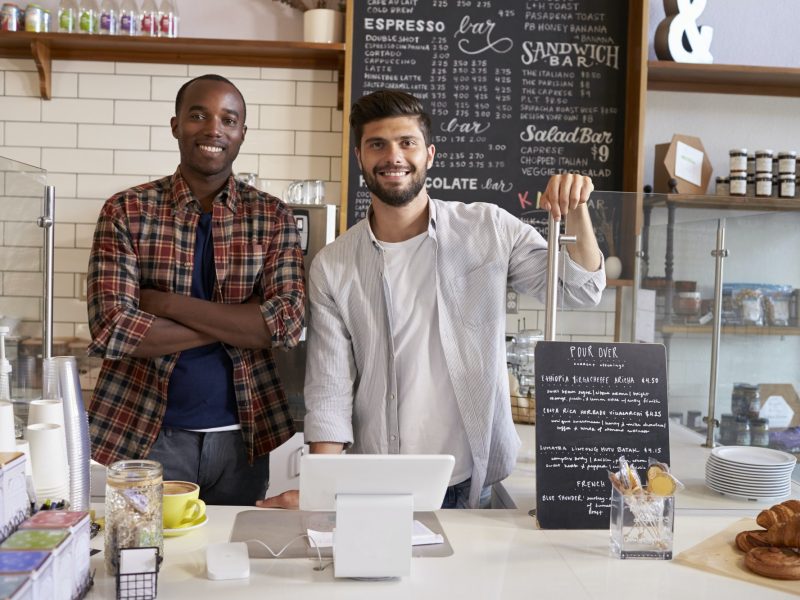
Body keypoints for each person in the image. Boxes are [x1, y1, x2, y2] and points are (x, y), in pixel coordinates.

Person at [259, 89, 604, 510]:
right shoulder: (333, 265)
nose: (394, 156)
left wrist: (577, 209)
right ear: (360, 157)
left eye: (407, 142)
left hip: (472, 482)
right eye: (377, 144)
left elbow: (581, 289)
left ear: (430, 154)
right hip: (378, 481)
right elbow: (329, 389)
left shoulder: (488, 228)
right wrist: (320, 490)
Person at [86, 74, 305, 505]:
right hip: (145, 432)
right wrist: (240, 318)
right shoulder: (127, 210)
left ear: (242, 133)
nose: (213, 129)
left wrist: (164, 303)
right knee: (145, 562)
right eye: (198, 115)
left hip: (243, 438)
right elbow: (112, 328)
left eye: (229, 119)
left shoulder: (272, 216)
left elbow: (284, 323)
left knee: (229, 561)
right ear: (175, 125)